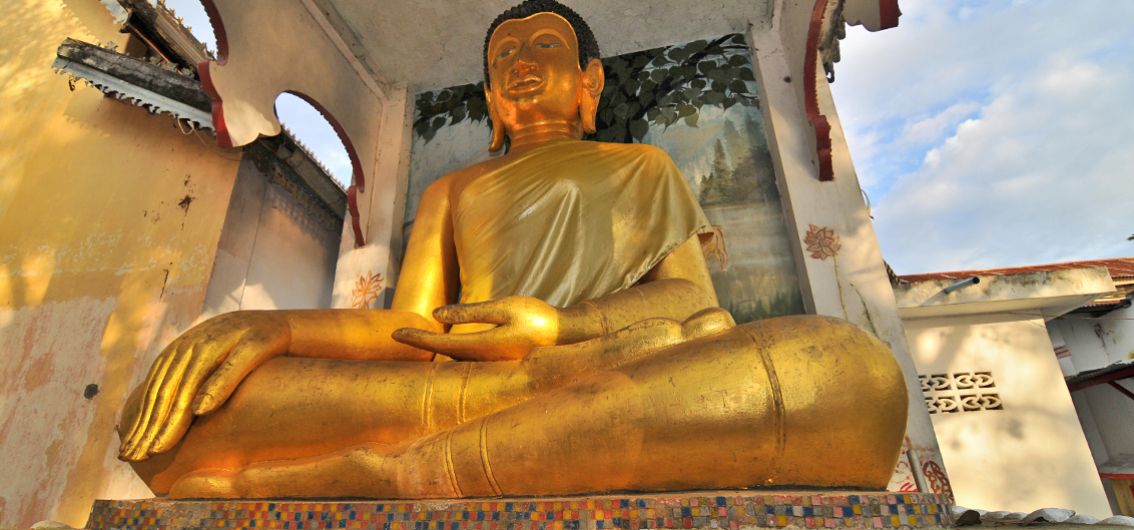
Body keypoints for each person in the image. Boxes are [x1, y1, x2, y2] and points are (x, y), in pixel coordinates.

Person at [118, 0, 906, 499]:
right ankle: (503, 421)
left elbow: (693, 305)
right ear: (492, 99)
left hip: (606, 362)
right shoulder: (453, 191)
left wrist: (559, 330)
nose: (521, 64)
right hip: (463, 388)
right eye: (503, 58)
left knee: (852, 375)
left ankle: (397, 473)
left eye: (544, 49)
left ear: (589, 83)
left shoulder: (639, 167)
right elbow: (410, 327)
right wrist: (273, 331)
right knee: (176, 421)